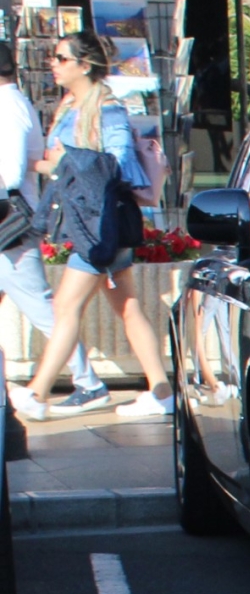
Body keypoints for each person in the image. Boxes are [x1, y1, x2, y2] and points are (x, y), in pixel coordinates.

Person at [15, 30, 171, 423]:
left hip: (102, 223)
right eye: (53, 57)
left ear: (85, 65)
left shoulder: (107, 109)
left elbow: (117, 164)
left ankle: (38, 393)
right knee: (128, 307)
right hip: (95, 221)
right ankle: (161, 391)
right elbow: (63, 161)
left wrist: (67, 163)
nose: (53, 63)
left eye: (61, 58)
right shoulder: (73, 106)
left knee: (66, 306)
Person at [0, 45, 105, 413]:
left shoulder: (8, 108)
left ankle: (88, 381)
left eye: (61, 58)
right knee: (46, 308)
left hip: (10, 228)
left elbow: (11, 173)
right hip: (10, 227)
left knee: (46, 310)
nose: (53, 65)